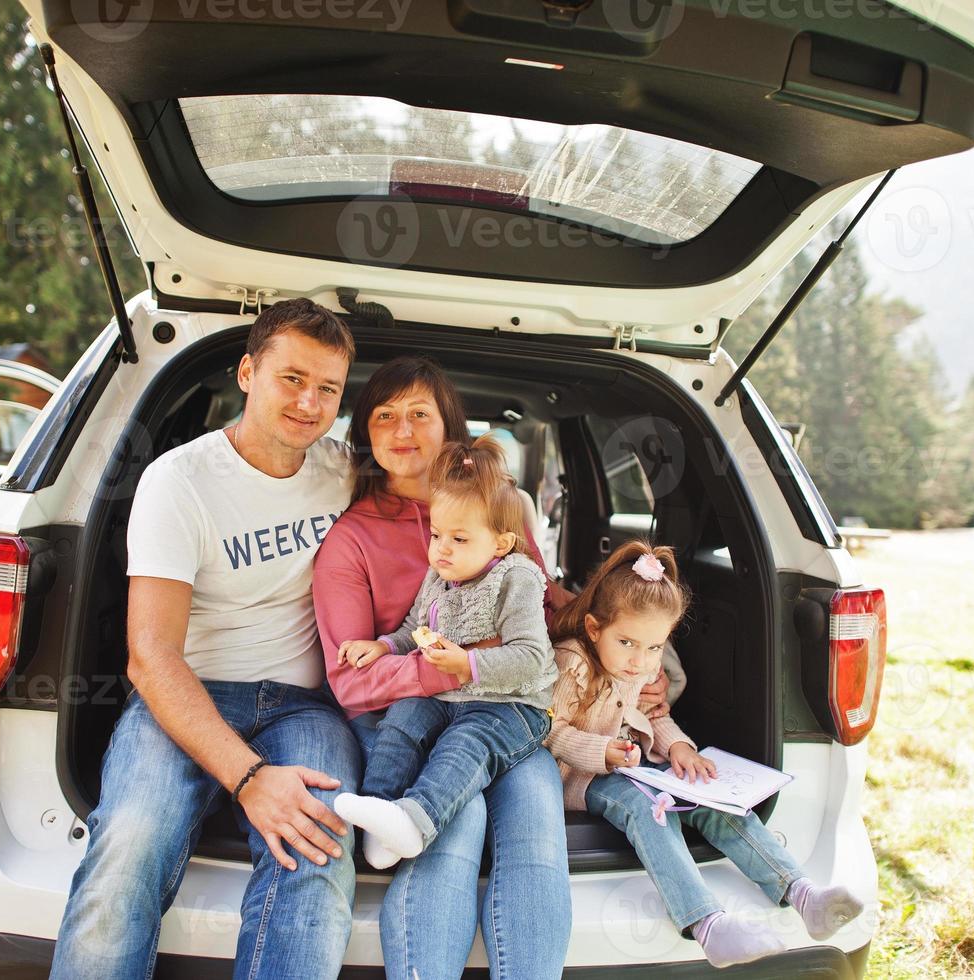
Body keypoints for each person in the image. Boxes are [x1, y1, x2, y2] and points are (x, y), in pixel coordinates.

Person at [50, 299, 363, 979]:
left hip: (305, 705)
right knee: (127, 848)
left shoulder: (344, 471)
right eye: (292, 378)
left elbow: (444, 501)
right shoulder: (178, 482)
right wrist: (249, 779)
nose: (310, 402)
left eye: (329, 389)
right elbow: (151, 655)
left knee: (317, 851)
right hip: (188, 696)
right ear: (248, 372)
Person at [312, 356, 580, 979]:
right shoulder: (351, 539)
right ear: (367, 436)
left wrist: (617, 640)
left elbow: (542, 610)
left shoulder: (497, 512)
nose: (402, 430)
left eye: (419, 414)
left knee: (539, 813)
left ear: (449, 426)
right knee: (459, 819)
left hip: (506, 709)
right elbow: (353, 678)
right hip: (404, 719)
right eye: (384, 417)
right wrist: (455, 669)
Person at [545, 540, 866, 969]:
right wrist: (603, 751)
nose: (641, 660)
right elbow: (549, 731)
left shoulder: (637, 664)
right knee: (651, 810)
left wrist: (678, 746)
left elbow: (652, 716)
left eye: (655, 648)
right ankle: (707, 925)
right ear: (592, 628)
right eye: (627, 642)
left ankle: (803, 894)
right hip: (582, 777)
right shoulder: (575, 663)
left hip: (635, 766)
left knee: (713, 800)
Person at [331, 436, 559, 869]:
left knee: (463, 745)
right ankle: (380, 816)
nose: (442, 548)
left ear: (500, 543)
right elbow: (416, 629)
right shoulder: (439, 576)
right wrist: (381, 645)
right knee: (402, 718)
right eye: (436, 534)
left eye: (459, 538)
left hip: (509, 705)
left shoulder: (517, 579)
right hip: (448, 696)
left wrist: (467, 664)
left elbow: (530, 655)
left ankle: (415, 823)